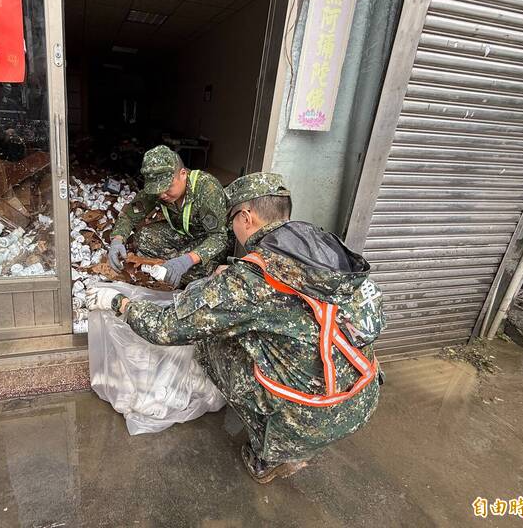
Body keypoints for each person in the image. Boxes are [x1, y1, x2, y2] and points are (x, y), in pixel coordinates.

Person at [87, 172, 384, 483]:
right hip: (361, 395)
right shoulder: (319, 250)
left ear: (246, 216)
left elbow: (166, 329)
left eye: (233, 221)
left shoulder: (250, 281)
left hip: (308, 418)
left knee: (208, 337)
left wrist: (118, 303)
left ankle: (269, 455)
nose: (233, 229)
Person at [108, 145, 229, 288]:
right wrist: (117, 240)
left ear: (183, 174)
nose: (162, 195)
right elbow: (130, 216)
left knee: (195, 271)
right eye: (157, 190)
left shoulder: (207, 189)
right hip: (182, 234)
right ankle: (174, 264)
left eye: (167, 188)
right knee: (144, 237)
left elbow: (219, 237)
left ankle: (180, 266)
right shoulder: (158, 190)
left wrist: (187, 260)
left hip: (207, 239)